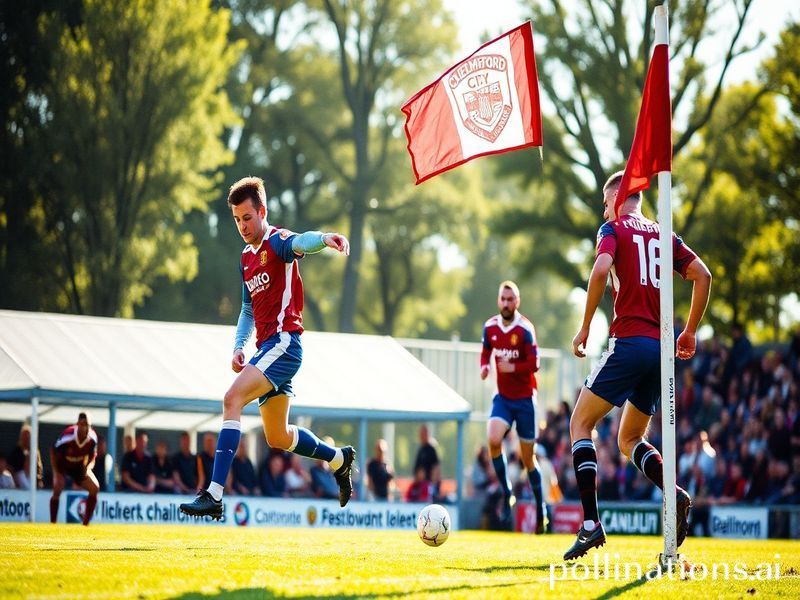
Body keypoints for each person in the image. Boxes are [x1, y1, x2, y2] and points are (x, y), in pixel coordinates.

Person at [180, 176, 355, 519]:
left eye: (247, 217)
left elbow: (301, 241)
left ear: (262, 212)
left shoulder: (277, 241)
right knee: (278, 436)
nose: (242, 226)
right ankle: (339, 459)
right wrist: (238, 346)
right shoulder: (245, 257)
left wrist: (324, 239)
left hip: (285, 344)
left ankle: (214, 494)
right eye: (236, 220)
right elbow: (247, 309)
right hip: (267, 350)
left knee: (231, 400)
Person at [563, 171, 712, 560]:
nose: (603, 206)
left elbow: (599, 271)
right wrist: (691, 331)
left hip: (629, 343)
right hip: (662, 351)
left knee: (580, 424)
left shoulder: (612, 228)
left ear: (617, 197)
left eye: (604, 199)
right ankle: (675, 493)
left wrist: (583, 328)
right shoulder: (664, 233)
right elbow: (703, 275)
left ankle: (592, 524)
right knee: (628, 439)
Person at [480, 280, 548, 533]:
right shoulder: (490, 327)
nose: (506, 303)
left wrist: (514, 367)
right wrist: (484, 366)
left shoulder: (525, 328)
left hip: (525, 400)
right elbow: (485, 350)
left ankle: (541, 509)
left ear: (517, 302)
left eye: (511, 299)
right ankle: (506, 490)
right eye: (503, 299)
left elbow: (535, 363)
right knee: (493, 438)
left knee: (528, 459)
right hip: (503, 398)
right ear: (499, 301)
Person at [49, 413, 99, 525]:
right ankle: (53, 523)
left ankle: (85, 524)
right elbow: (53, 451)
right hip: (63, 466)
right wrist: (56, 472)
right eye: (82, 424)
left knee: (95, 488)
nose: (85, 428)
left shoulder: (92, 439)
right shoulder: (68, 436)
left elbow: (93, 457)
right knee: (58, 487)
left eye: (88, 425)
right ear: (77, 424)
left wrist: (87, 468)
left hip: (78, 467)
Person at [8, 424, 43, 490]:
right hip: (18, 482)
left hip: (32, 481)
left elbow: (39, 468)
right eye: (24, 437)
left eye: (28, 437)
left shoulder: (35, 451)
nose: (26, 439)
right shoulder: (16, 452)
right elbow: (10, 468)